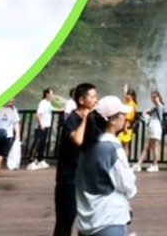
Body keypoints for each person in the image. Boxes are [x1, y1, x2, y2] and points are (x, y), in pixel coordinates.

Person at [76, 95, 138, 236]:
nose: (125, 117)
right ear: (113, 120)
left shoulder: (88, 144)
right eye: (122, 114)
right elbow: (128, 186)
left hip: (86, 221)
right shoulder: (112, 148)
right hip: (108, 220)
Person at [53, 83, 97, 236]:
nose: (95, 100)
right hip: (69, 178)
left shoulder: (92, 119)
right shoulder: (72, 119)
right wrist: (86, 118)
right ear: (81, 100)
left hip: (86, 178)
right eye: (92, 97)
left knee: (87, 222)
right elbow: (77, 140)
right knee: (65, 222)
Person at [134, 90, 164, 172]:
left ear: (158, 97)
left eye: (155, 96)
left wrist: (157, 101)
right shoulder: (154, 107)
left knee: (155, 147)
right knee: (146, 147)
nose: (153, 98)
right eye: (152, 97)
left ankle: (155, 165)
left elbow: (160, 106)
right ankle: (138, 165)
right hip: (151, 128)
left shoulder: (160, 106)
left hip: (156, 128)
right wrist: (146, 112)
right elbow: (148, 115)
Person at [28, 88, 56, 171]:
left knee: (43, 143)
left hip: (46, 125)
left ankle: (40, 160)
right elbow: (38, 115)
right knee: (37, 143)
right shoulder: (42, 103)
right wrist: (41, 124)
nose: (52, 95)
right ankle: (31, 161)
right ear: (46, 94)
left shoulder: (48, 103)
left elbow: (54, 109)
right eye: (51, 93)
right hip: (41, 126)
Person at [118, 87, 138, 155]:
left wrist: (125, 127)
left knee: (125, 145)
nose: (126, 96)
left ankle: (125, 161)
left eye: (128, 94)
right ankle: (124, 161)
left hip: (127, 127)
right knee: (124, 145)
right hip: (127, 126)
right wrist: (125, 89)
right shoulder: (130, 102)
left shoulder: (131, 104)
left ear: (131, 96)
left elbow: (129, 117)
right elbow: (125, 96)